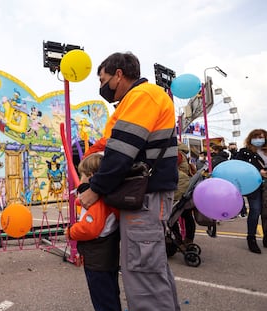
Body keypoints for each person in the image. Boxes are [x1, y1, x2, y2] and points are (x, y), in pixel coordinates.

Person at [79, 52, 180, 311]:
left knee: (143, 273)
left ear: (119, 74)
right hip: (147, 197)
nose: (103, 86)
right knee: (151, 269)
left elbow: (123, 149)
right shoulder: (143, 98)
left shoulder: (141, 95)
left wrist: (95, 188)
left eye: (104, 79)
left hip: (145, 198)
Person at [65, 153, 121, 311]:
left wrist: (71, 231)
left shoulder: (97, 202)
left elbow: (90, 228)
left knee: (103, 300)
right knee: (111, 295)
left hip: (98, 260)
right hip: (107, 257)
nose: (80, 179)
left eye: (82, 175)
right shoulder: (105, 197)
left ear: (91, 176)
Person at [236, 129, 267, 253]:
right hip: (253, 186)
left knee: (266, 213)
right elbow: (238, 166)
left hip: (266, 186)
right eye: (257, 137)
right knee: (255, 210)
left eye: (262, 137)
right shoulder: (245, 152)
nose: (259, 139)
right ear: (251, 138)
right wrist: (258, 171)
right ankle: (251, 238)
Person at [172, 141, 196, 248]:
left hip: (178, 189)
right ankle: (188, 240)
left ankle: (178, 241)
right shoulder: (183, 154)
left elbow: (169, 168)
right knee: (187, 216)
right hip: (185, 188)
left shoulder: (176, 154)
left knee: (172, 218)